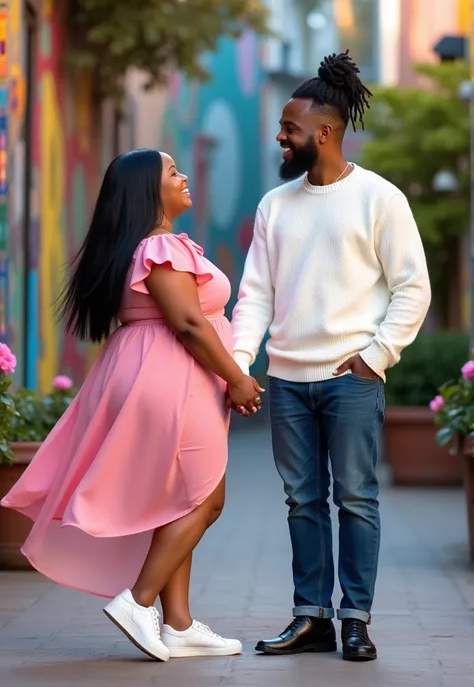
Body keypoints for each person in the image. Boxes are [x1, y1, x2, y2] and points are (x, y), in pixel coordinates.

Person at [1, 148, 263, 662]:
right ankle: (139, 602)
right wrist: (237, 378)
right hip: (174, 378)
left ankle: (180, 624)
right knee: (206, 498)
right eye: (172, 172)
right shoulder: (162, 247)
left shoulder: (139, 248)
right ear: (148, 191)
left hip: (149, 372)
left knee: (179, 499)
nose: (184, 177)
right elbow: (188, 323)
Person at [231, 51, 431, 661]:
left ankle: (355, 619)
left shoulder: (381, 199)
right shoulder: (274, 205)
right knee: (303, 502)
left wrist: (377, 356)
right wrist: (240, 365)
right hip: (288, 381)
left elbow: (412, 286)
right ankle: (311, 616)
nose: (279, 137)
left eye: (289, 129)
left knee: (356, 499)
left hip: (351, 380)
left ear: (323, 132)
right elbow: (256, 296)